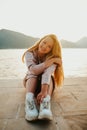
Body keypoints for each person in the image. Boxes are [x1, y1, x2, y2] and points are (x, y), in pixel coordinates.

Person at [22, 34, 64, 121]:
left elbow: (47, 73)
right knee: (33, 74)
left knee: (50, 77)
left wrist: (44, 91)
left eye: (49, 47)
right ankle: (29, 101)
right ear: (40, 40)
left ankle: (45, 103)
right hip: (31, 83)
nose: (45, 46)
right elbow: (33, 70)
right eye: (44, 42)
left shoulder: (53, 57)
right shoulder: (29, 53)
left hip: (45, 87)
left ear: (51, 50)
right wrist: (48, 62)